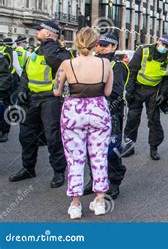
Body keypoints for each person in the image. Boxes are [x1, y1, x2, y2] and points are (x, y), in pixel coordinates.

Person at [53, 27, 113, 219]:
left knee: (75, 159)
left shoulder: (66, 64)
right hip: (99, 111)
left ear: (77, 43)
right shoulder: (106, 64)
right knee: (99, 157)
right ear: (96, 44)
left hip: (73, 112)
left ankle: (76, 205)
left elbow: (56, 91)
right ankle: (100, 201)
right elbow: (108, 92)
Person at [9, 21, 71, 187]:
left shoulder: (59, 52)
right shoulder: (35, 52)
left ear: (49, 34)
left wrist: (50, 44)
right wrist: (22, 89)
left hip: (51, 99)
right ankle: (28, 168)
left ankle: (59, 172)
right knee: (26, 136)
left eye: (40, 30)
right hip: (32, 99)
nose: (37, 32)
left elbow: (55, 62)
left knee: (53, 137)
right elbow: (25, 74)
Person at [83, 33, 129, 200]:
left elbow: (115, 93)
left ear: (114, 47)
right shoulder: (91, 62)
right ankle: (94, 179)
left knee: (111, 150)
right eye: (99, 44)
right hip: (90, 111)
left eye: (105, 45)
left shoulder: (117, 65)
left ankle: (114, 181)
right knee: (91, 149)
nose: (101, 48)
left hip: (111, 112)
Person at [122, 35, 168, 160]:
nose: (164, 47)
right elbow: (132, 71)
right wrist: (129, 91)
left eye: (167, 46)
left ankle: (154, 148)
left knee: (154, 121)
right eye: (163, 44)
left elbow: (167, 79)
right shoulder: (143, 51)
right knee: (132, 119)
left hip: (154, 92)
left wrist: (162, 94)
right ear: (158, 41)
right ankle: (129, 147)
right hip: (137, 89)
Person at [0, 39, 14, 142]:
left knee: (3, 109)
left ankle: (4, 132)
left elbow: (5, 76)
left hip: (2, 91)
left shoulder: (1, 57)